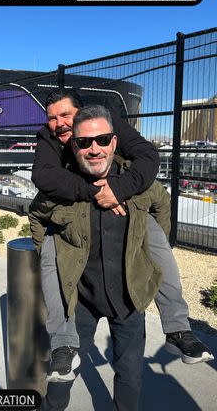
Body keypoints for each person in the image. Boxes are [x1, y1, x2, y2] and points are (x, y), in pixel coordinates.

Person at [30, 89, 213, 382]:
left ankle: (178, 328)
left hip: (123, 198)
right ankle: (62, 345)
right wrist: (97, 193)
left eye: (65, 115)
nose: (59, 123)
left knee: (153, 241)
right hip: (73, 214)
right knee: (51, 261)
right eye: (52, 118)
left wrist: (120, 189)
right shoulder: (49, 139)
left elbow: (149, 159)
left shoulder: (110, 124)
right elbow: (42, 180)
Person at [29, 104, 173, 410]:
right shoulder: (61, 182)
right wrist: (52, 258)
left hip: (129, 299)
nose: (94, 148)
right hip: (80, 300)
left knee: (130, 374)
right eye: (83, 142)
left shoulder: (136, 181)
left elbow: (161, 203)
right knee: (62, 373)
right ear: (74, 143)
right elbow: (37, 214)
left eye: (103, 140)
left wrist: (148, 253)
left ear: (114, 139)